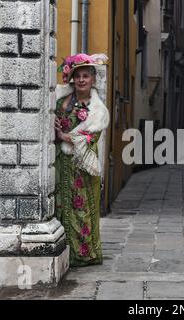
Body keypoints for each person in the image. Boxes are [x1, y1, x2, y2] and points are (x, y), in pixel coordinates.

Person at [54, 53, 110, 267]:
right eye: (78, 76)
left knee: (82, 209)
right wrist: (56, 130)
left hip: (83, 167)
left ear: (93, 80)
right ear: (72, 79)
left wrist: (64, 137)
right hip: (61, 164)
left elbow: (90, 137)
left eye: (86, 76)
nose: (81, 80)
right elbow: (54, 123)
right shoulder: (61, 102)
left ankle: (84, 255)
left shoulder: (98, 111)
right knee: (61, 206)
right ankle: (64, 252)